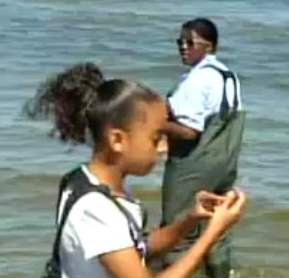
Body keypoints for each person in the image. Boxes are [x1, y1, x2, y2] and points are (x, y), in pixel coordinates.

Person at [25, 62, 247, 278]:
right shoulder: (96, 209)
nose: (164, 147)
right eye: (155, 138)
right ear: (118, 140)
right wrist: (212, 234)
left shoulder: (85, 182)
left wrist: (191, 219)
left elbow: (140, 247)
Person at [161, 18, 245, 278]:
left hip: (194, 165)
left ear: (208, 46)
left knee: (180, 230)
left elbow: (189, 131)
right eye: (180, 42)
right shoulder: (228, 76)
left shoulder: (197, 80)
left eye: (190, 43)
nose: (183, 48)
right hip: (225, 164)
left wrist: (153, 124)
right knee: (217, 231)